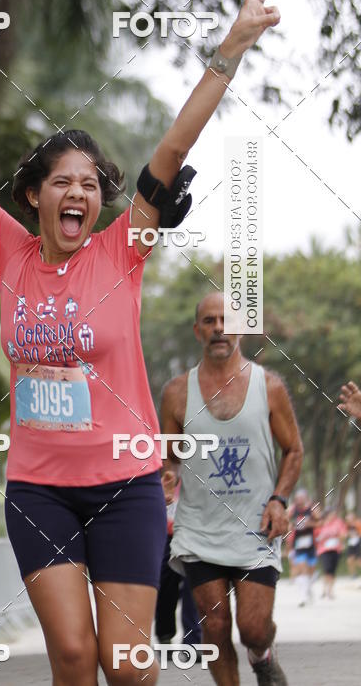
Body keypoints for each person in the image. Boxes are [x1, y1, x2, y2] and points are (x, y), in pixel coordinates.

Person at [0, 0, 280, 685]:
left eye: (91, 183)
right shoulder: (9, 250)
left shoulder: (124, 251)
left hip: (125, 485)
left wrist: (236, 41)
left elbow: (175, 147)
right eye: (62, 180)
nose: (79, 191)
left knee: (126, 666)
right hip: (38, 489)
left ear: (101, 203)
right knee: (70, 656)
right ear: (34, 195)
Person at [161, 292, 303, 686]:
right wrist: (167, 474)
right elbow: (169, 458)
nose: (219, 328)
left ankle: (263, 656)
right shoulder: (176, 392)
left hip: (256, 527)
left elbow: (293, 449)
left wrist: (280, 500)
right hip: (199, 529)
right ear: (197, 330)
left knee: (254, 628)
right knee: (216, 627)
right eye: (209, 320)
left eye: (226, 320)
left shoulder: (269, 386)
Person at [156, 472, 202, 657]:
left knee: (193, 587)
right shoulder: (160, 465)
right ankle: (165, 635)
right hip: (165, 535)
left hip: (193, 533)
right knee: (166, 587)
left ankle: (193, 642)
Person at [288, 488, 321, 607]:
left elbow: (320, 523)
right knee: (302, 568)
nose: (299, 500)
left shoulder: (312, 509)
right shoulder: (292, 509)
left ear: (306, 498)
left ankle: (309, 590)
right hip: (299, 544)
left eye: (301, 498)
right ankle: (302, 597)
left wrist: (309, 524)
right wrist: (291, 526)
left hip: (311, 544)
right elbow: (286, 521)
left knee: (311, 572)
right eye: (297, 498)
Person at [316, 507, 347, 598]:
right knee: (327, 569)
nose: (332, 516)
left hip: (336, 549)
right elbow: (317, 536)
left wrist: (338, 537)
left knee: (332, 571)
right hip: (324, 550)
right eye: (330, 514)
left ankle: (330, 590)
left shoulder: (338, 522)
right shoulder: (321, 523)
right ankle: (324, 589)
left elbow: (343, 534)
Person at [344, 511, 361, 578]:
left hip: (358, 542)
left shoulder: (358, 523)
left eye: (350, 517)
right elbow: (345, 534)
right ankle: (353, 574)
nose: (348, 519)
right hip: (351, 543)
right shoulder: (347, 525)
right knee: (349, 560)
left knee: (358, 560)